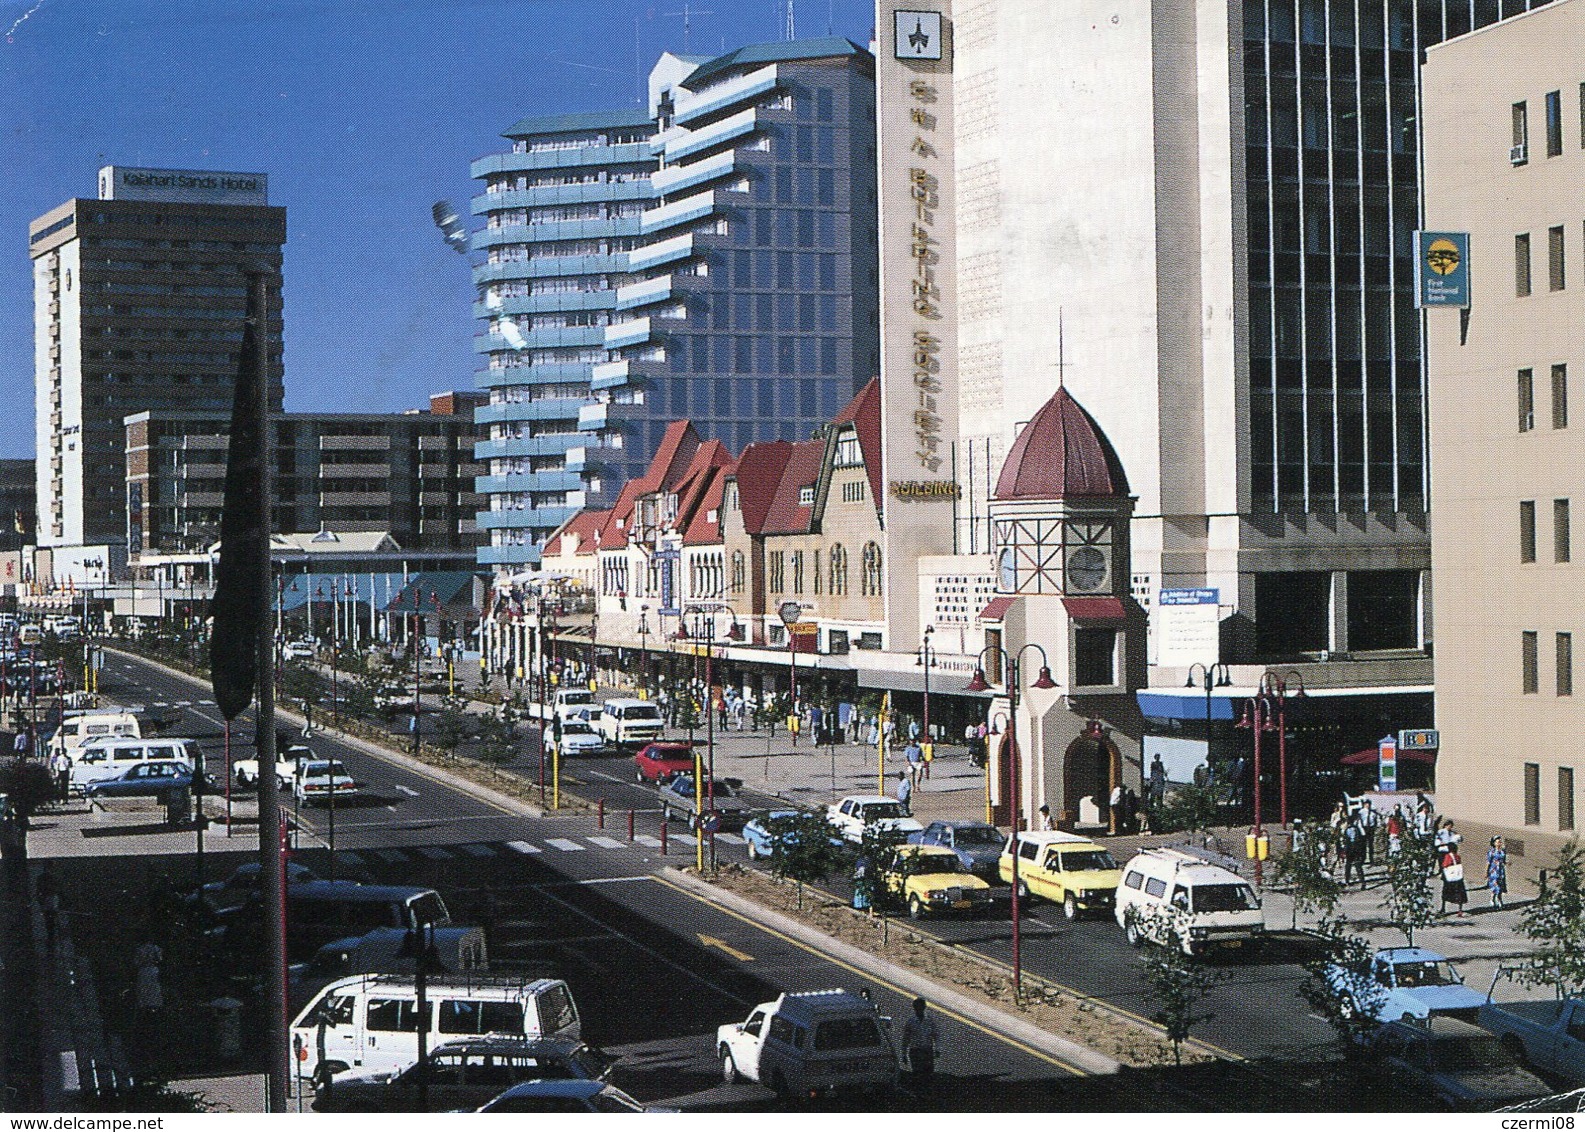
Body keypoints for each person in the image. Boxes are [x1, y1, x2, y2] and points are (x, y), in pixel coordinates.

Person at [900, 997, 940, 1087]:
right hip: (915, 1051)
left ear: (924, 1007)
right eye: (917, 1008)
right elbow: (905, 1039)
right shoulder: (910, 1022)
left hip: (927, 1050)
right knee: (917, 1075)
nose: (919, 1010)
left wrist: (937, 1049)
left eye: (921, 1007)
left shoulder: (930, 1020)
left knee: (929, 1074)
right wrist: (903, 1054)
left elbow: (936, 1035)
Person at [1440, 846, 1469, 917]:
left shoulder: (1447, 856)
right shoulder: (1457, 856)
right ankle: (1460, 910)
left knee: (1445, 893)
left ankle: (1443, 909)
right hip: (1458, 879)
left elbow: (1445, 865)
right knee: (1459, 895)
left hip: (1450, 879)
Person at [1341, 816, 1367, 887]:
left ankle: (1347, 880)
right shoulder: (1356, 829)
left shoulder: (1347, 830)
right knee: (1357, 866)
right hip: (1355, 849)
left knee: (1348, 866)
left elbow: (1345, 841)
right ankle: (1362, 882)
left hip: (1350, 849)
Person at [1487, 836, 1509, 909]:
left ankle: (1496, 898)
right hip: (1493, 871)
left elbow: (1503, 861)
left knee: (1500, 886)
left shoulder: (1503, 851)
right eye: (1498, 842)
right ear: (1494, 843)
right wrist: (1487, 872)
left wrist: (1506, 863)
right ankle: (1497, 900)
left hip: (1501, 871)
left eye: (1500, 841)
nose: (1499, 843)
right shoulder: (1491, 852)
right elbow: (1488, 862)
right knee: (1496, 886)